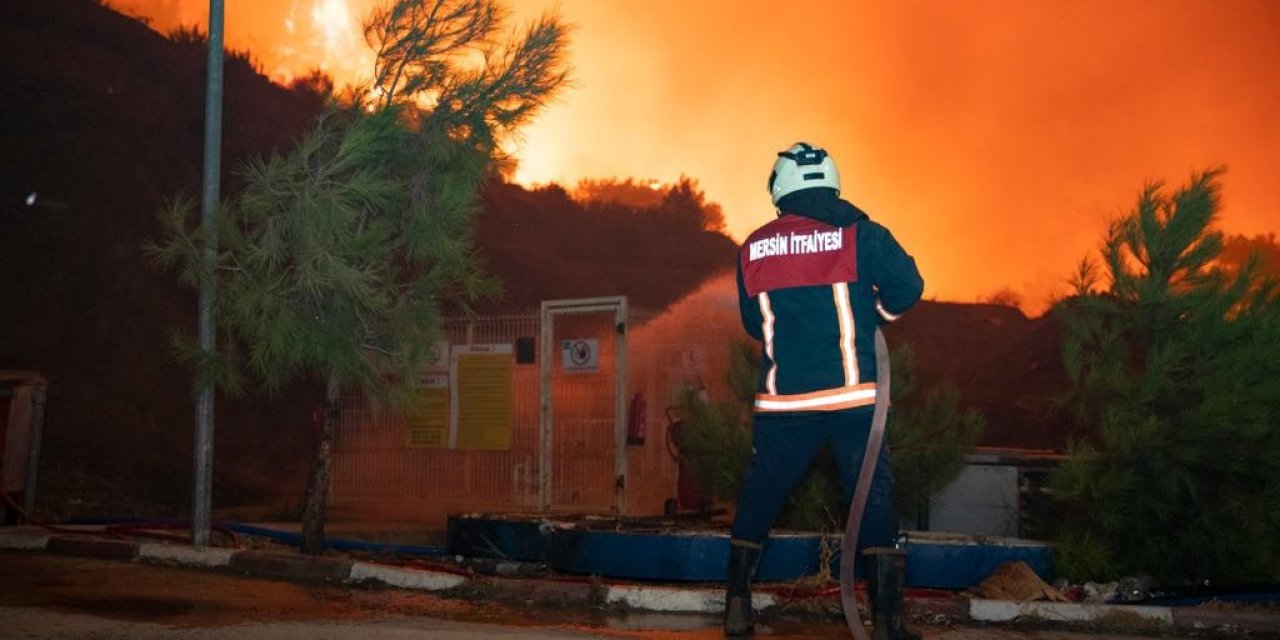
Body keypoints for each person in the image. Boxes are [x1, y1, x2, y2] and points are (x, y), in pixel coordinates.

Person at [725, 142, 924, 638]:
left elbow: (755, 324)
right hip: (854, 400)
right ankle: (887, 622)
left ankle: (736, 605)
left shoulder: (753, 247)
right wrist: (869, 316)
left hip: (782, 402)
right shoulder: (861, 235)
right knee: (872, 500)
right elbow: (908, 288)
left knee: (761, 496)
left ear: (780, 188)